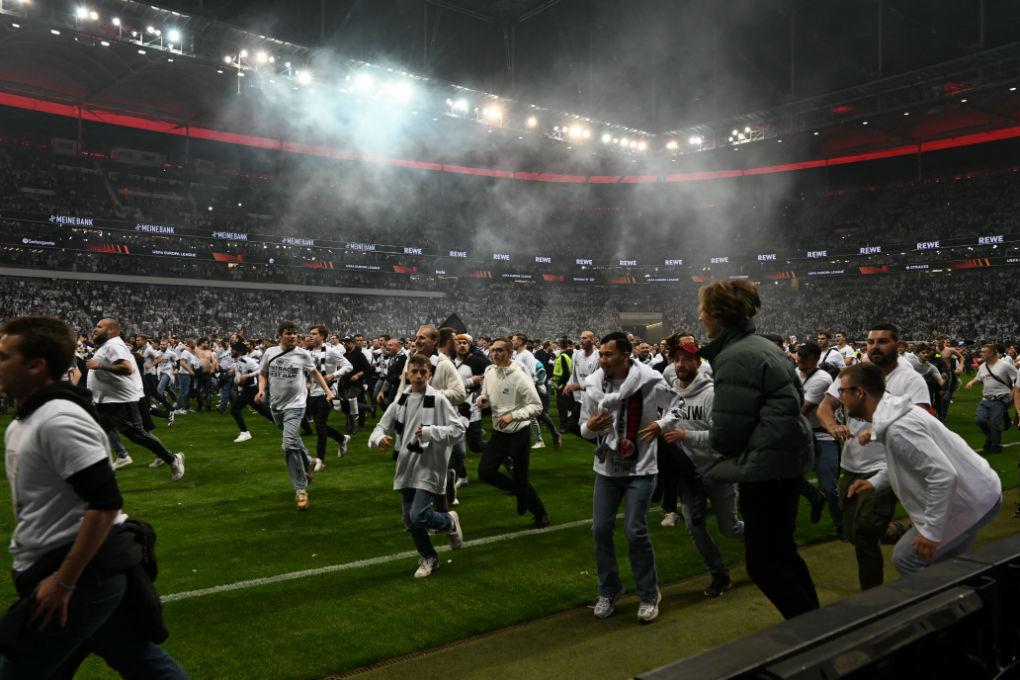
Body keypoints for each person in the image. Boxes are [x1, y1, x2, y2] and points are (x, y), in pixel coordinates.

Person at [0, 316, 188, 678]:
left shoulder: (59, 419)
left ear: (37, 365)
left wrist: (64, 581)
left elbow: (105, 504)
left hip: (81, 574)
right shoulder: (28, 419)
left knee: (18, 670)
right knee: (144, 664)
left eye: (5, 356)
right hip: (77, 569)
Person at [696, 280, 819, 620]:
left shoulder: (736, 356)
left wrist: (717, 443)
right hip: (786, 461)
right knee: (783, 554)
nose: (701, 316)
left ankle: (814, 636)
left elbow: (728, 433)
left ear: (718, 315)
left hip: (767, 469)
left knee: (764, 564)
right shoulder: (760, 346)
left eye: (704, 309)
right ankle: (818, 627)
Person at [840, 363, 1002, 574]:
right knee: (947, 565)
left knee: (907, 558)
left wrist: (931, 533)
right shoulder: (894, 417)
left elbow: (942, 476)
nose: (841, 397)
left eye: (843, 391)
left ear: (859, 393)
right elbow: (905, 463)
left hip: (970, 500)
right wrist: (873, 483)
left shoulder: (898, 428)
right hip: (976, 492)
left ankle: (946, 605)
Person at [816, 323, 931, 590]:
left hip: (886, 464)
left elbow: (922, 418)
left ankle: (872, 597)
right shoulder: (856, 373)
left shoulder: (909, 378)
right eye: (870, 342)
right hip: (852, 462)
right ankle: (895, 531)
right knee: (852, 531)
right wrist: (832, 425)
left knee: (866, 533)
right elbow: (826, 406)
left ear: (898, 346)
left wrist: (879, 431)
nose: (874, 347)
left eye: (882, 342)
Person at [579, 332, 674, 623]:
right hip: (607, 470)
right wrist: (591, 427)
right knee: (600, 531)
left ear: (626, 354)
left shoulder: (649, 379)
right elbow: (584, 427)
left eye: (608, 354)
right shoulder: (594, 385)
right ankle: (610, 589)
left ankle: (648, 593)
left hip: (641, 469)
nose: (603, 359)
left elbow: (677, 405)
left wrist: (660, 423)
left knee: (635, 531)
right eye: (602, 355)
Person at [642, 335, 745, 598]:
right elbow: (668, 419)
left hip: (716, 470)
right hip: (687, 474)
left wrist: (686, 436)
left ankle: (768, 542)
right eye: (676, 359)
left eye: (686, 358)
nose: (680, 364)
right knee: (694, 527)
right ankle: (719, 575)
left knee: (730, 528)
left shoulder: (712, 394)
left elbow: (723, 438)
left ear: (698, 361)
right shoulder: (670, 392)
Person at [368, 354, 466, 578]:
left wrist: (432, 432)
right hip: (406, 466)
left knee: (418, 515)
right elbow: (380, 427)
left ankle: (449, 521)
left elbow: (458, 430)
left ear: (429, 374)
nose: (419, 376)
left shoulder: (439, 400)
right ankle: (429, 556)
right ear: (407, 374)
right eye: (415, 372)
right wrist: (379, 439)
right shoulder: (400, 401)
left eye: (424, 372)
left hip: (429, 465)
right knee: (409, 521)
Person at [86, 319, 185, 481]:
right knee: (94, 434)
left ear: (111, 330)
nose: (95, 329)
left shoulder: (114, 345)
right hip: (105, 402)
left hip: (120, 401)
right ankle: (98, 472)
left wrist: (100, 365)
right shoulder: (107, 346)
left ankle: (172, 459)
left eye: (99, 326)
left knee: (137, 434)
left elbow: (126, 367)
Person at [255, 321, 334, 511]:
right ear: (279, 335)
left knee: (289, 443)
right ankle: (308, 460)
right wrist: (261, 390)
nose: (292, 336)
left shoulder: (302, 354)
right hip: (276, 406)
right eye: (288, 333)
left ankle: (300, 488)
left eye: (295, 334)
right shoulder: (270, 353)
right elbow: (263, 373)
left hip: (297, 405)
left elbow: (314, 373)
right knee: (293, 440)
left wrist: (327, 391)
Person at [476, 338, 549, 528]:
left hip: (519, 433)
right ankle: (520, 490)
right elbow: (487, 394)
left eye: (500, 350)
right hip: (499, 433)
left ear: (510, 353)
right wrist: (483, 400)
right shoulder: (490, 372)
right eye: (492, 350)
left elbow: (536, 406)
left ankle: (541, 514)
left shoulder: (519, 376)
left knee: (521, 477)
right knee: (485, 472)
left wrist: (514, 415)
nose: (495, 354)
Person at [794, 341, 841, 535]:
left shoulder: (822, 378)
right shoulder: (795, 373)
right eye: (799, 356)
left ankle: (841, 526)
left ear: (816, 359)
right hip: (802, 432)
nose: (800, 360)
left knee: (829, 486)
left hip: (822, 434)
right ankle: (815, 498)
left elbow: (803, 410)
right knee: (788, 478)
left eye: (805, 358)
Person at [306, 325, 353, 468]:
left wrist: (334, 375)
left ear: (322, 336)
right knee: (320, 425)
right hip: (312, 392)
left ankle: (320, 459)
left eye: (314, 334)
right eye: (310, 334)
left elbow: (348, 366)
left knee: (320, 425)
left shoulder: (331, 352)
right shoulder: (307, 352)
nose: (311, 336)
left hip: (327, 393)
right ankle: (341, 438)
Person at [966, 343, 1018, 454]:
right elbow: (979, 378)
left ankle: (995, 445)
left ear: (992, 353)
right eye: (982, 351)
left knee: (994, 423)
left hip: (1000, 399)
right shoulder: (982, 366)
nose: (981, 353)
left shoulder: (1004, 365)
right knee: (980, 420)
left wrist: (1014, 391)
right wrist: (971, 382)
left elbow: (1017, 377)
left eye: (984, 351)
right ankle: (990, 438)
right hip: (985, 399)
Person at [228, 341, 273, 443]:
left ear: (239, 351)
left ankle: (245, 433)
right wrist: (237, 378)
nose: (231, 351)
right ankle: (281, 424)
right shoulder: (238, 361)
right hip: (246, 389)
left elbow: (261, 371)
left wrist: (247, 376)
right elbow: (239, 375)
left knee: (235, 410)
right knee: (262, 410)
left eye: (233, 349)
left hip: (250, 389)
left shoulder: (247, 360)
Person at [563, 330, 600, 435]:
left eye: (584, 338)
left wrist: (581, 386)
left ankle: (601, 442)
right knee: (575, 426)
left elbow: (599, 380)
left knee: (580, 426)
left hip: (593, 398)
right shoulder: (576, 355)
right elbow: (573, 374)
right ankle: (600, 442)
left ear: (592, 340)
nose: (581, 341)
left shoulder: (598, 357)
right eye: (580, 338)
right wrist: (568, 385)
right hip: (580, 398)